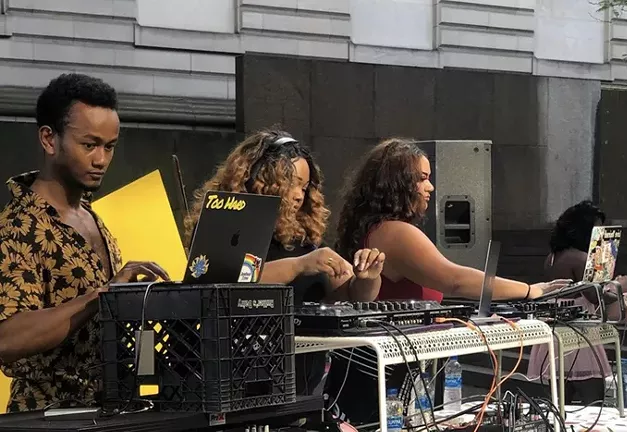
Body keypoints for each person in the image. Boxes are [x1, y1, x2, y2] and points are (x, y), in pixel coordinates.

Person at [326, 138, 570, 423]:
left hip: (390, 370)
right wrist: (530, 290)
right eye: (422, 179)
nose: (430, 188)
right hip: (380, 375)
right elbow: (453, 280)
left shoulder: (378, 229)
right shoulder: (394, 232)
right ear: (398, 184)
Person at [0, 73, 170, 412]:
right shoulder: (19, 226)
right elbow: (7, 338)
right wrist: (104, 295)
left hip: (106, 409)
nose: (101, 160)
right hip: (45, 416)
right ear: (49, 140)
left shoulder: (93, 218)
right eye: (89, 145)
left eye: (109, 147)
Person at [184, 128, 385, 395]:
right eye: (292, 183)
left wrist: (367, 278)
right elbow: (225, 281)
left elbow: (350, 295)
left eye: (305, 186)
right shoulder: (229, 225)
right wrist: (299, 265)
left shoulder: (304, 237)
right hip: (241, 382)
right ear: (260, 178)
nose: (300, 195)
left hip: (301, 383)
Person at [527, 200, 627, 404]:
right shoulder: (579, 258)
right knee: (593, 398)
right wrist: (621, 288)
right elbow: (595, 296)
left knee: (559, 402)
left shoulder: (552, 257)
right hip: (580, 335)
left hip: (557, 332)